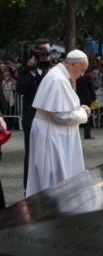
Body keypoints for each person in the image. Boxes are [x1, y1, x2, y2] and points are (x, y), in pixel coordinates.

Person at [25, 50, 91, 197]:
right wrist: (83, 114)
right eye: (82, 70)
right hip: (51, 133)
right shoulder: (59, 79)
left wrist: (79, 108)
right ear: (73, 64)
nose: (81, 75)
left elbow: (61, 107)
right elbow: (62, 116)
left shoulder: (58, 74)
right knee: (53, 176)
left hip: (50, 130)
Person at [16, 38, 53, 191]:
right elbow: (20, 89)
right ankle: (28, 188)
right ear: (36, 51)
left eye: (48, 50)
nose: (46, 53)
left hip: (50, 119)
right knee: (30, 155)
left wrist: (48, 72)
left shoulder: (53, 69)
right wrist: (31, 71)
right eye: (43, 50)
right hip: (31, 119)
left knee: (49, 154)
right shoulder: (25, 69)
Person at [75, 73, 97, 139]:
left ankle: (76, 134)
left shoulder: (76, 76)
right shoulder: (88, 77)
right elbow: (91, 88)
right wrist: (94, 98)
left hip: (78, 97)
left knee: (76, 115)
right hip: (87, 97)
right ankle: (87, 134)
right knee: (87, 116)